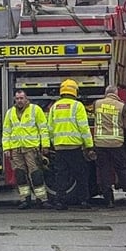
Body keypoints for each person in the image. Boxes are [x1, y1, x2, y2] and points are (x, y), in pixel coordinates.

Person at [47, 79, 94, 210]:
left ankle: (60, 202)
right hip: (74, 147)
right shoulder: (77, 106)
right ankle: (83, 201)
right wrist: (89, 145)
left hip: (59, 148)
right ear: (75, 91)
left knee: (61, 175)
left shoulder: (54, 106)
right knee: (81, 174)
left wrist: (54, 143)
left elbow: (50, 128)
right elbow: (84, 128)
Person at [92, 85, 126, 207]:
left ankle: (109, 200)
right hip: (116, 144)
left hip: (100, 144)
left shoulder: (97, 104)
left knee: (104, 172)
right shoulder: (122, 106)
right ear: (116, 93)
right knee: (122, 170)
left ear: (106, 93)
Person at [2, 89, 50, 209]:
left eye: (21, 98)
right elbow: (6, 132)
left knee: (36, 175)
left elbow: (43, 129)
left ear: (26, 99)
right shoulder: (10, 113)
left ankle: (42, 200)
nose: (19, 101)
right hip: (16, 149)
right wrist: (6, 148)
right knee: (20, 175)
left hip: (31, 148)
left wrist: (45, 145)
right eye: (17, 98)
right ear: (15, 99)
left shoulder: (35, 110)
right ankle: (25, 199)